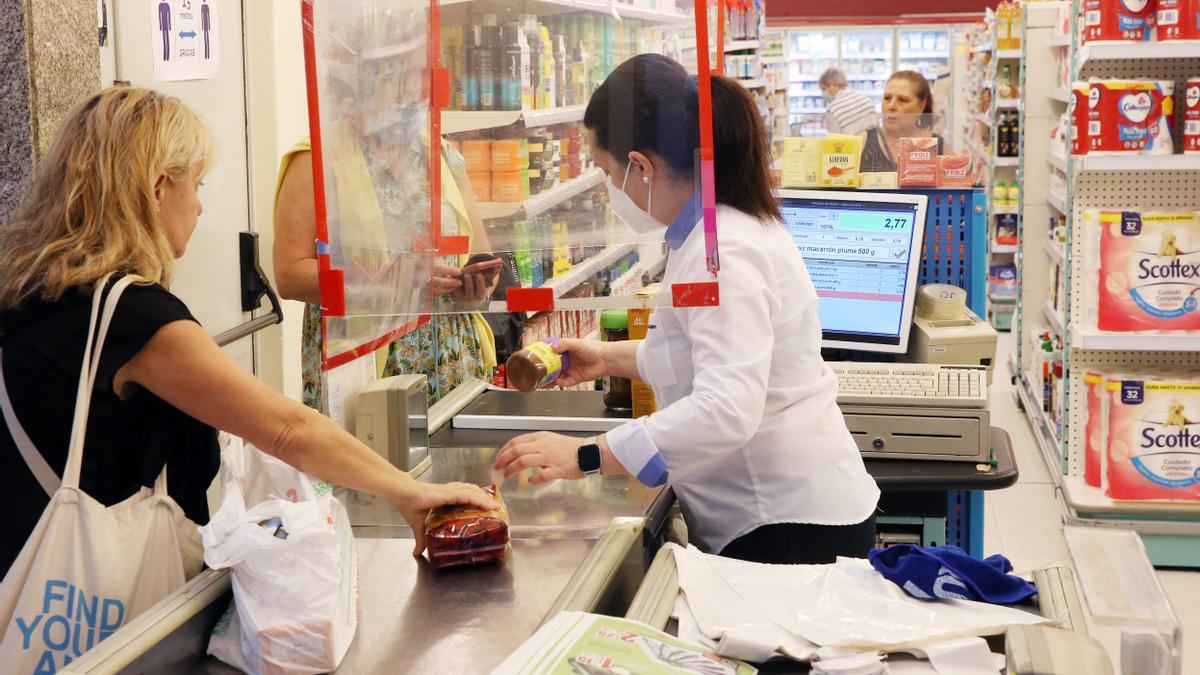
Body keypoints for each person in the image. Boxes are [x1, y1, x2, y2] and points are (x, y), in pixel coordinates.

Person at [0, 87, 495, 576]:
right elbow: (285, 429)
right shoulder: (134, 318)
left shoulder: (34, 288)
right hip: (97, 601)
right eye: (195, 185)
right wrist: (411, 493)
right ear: (156, 189)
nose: (199, 207)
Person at [494, 55, 880, 565]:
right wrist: (608, 359)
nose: (613, 191)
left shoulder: (722, 255)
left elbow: (726, 409)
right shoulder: (717, 231)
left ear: (643, 166)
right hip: (786, 512)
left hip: (784, 523)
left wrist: (585, 455)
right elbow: (704, 350)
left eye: (610, 173)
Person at [273, 130, 501, 410]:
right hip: (361, 353)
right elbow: (290, 275)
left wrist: (473, 289)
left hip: (450, 351)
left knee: (454, 449)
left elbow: (482, 252)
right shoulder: (317, 158)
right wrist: (393, 281)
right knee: (365, 447)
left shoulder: (441, 154)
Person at [860, 70, 945, 173]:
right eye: (887, 98)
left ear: (921, 106)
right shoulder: (863, 141)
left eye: (902, 100)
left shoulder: (938, 146)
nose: (891, 106)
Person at [819, 68, 876, 136]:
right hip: (874, 145)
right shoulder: (865, 98)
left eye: (824, 89)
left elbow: (835, 141)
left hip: (852, 146)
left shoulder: (833, 109)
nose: (823, 93)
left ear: (834, 85)